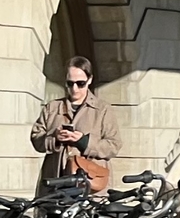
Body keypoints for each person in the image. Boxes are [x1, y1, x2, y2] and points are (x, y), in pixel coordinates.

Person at [33, 55, 119, 185]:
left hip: (89, 183)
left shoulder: (103, 109)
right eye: (70, 83)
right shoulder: (52, 108)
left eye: (80, 84)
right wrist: (55, 138)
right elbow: (36, 138)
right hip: (56, 182)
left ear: (89, 80)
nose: (74, 89)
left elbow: (113, 146)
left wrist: (83, 141)